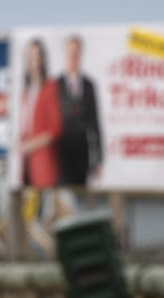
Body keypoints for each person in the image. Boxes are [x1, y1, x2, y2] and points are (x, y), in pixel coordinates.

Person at [55, 35, 102, 185]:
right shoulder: (55, 85)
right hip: (61, 152)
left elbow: (95, 124)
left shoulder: (89, 85)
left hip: (82, 153)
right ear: (65, 54)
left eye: (76, 52)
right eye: (70, 52)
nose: (73, 56)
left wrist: (98, 160)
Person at [19, 38, 62, 188]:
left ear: (43, 60)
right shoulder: (24, 91)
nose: (34, 61)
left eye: (37, 56)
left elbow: (55, 129)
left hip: (43, 162)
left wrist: (30, 145)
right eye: (30, 57)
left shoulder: (50, 88)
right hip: (23, 164)